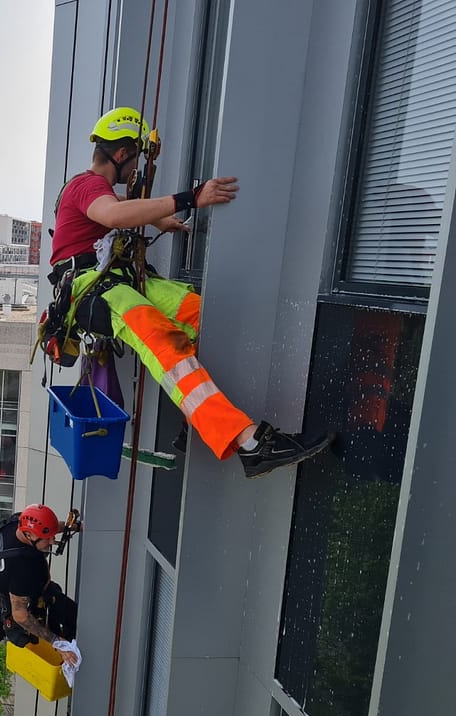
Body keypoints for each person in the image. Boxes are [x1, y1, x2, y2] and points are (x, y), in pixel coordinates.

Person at [49, 106, 332, 479]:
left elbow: (119, 211)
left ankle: (196, 411)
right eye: (134, 160)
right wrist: (189, 198)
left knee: (201, 315)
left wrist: (157, 217)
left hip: (120, 280)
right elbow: (114, 216)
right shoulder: (87, 185)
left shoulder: (98, 191)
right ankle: (250, 443)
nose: (135, 170)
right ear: (121, 154)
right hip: (91, 289)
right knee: (165, 343)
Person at [0, 504, 79, 667]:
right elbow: (20, 615)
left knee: (73, 616)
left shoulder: (19, 523)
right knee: (75, 623)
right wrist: (57, 642)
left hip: (40, 590)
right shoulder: (20, 569)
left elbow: (47, 528)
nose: (53, 541)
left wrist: (76, 527)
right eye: (47, 539)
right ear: (28, 535)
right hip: (32, 607)